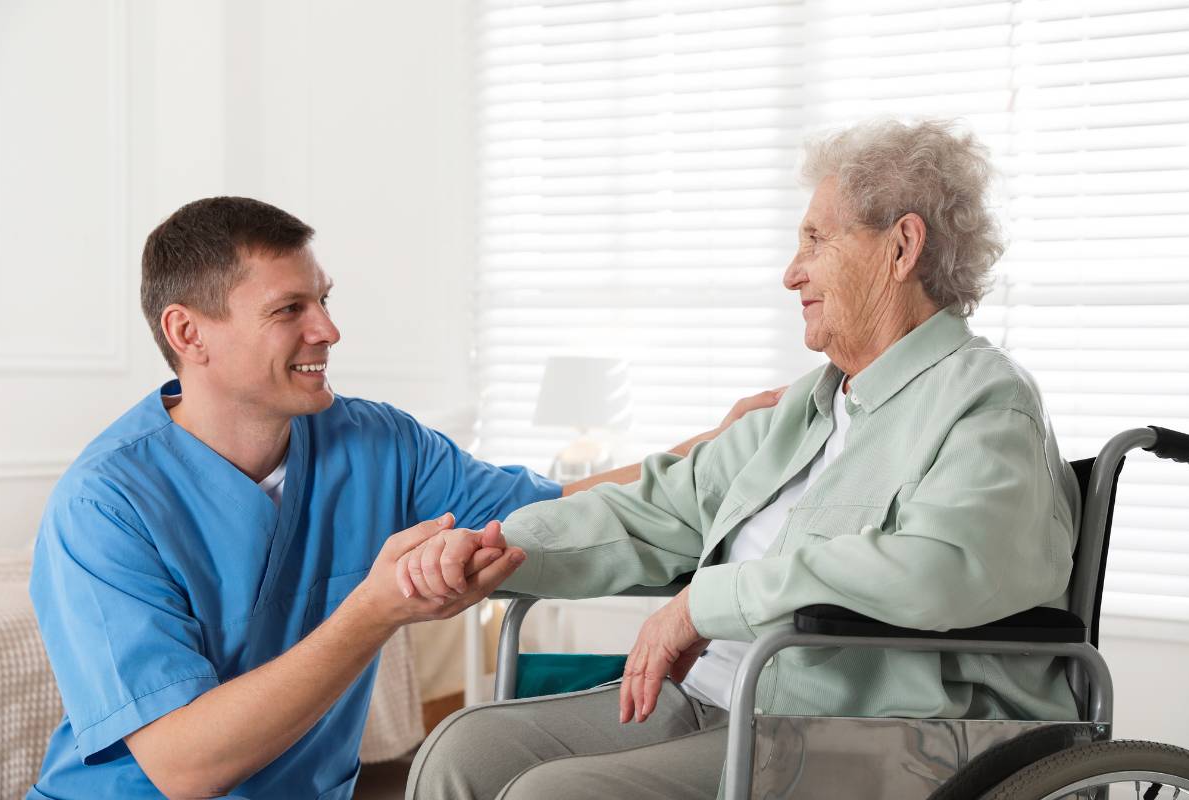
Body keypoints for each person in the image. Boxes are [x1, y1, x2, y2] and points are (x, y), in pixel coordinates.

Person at [403, 119, 1083, 800]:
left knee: (554, 795)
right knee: (464, 751)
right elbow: (654, 509)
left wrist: (706, 604)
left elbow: (938, 568)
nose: (791, 273)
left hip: (864, 733)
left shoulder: (986, 403)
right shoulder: (804, 407)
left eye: (816, 240)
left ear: (902, 247)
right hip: (713, 699)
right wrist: (492, 551)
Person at [26, 197, 777, 800]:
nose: (329, 329)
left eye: (324, 299)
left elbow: (558, 508)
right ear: (189, 333)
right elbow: (184, 769)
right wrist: (373, 611)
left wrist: (712, 447)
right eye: (289, 309)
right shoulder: (104, 506)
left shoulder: (378, 443)